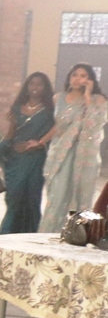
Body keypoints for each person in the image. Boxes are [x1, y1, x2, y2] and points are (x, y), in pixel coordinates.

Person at [40, 64, 108, 234]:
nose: (78, 79)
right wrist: (41, 141)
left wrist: (87, 97)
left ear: (90, 80)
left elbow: (94, 125)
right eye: (75, 75)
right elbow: (58, 127)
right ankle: (49, 234)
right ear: (69, 77)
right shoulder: (59, 98)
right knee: (56, 195)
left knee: (82, 196)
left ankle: (77, 235)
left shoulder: (98, 100)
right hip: (61, 153)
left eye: (83, 75)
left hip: (84, 155)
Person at [0, 72, 55, 235]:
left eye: (40, 84)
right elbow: (11, 133)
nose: (35, 87)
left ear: (45, 88)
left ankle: (29, 235)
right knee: (13, 198)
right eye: (32, 84)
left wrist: (39, 143)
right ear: (27, 87)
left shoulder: (50, 110)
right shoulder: (17, 108)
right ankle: (7, 235)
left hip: (36, 160)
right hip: (16, 159)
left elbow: (56, 131)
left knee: (31, 199)